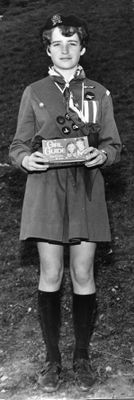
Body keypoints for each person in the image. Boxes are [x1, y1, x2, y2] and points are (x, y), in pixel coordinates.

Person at [9, 13, 122, 393]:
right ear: (48, 49)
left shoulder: (99, 93)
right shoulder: (34, 91)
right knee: (51, 274)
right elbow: (18, 145)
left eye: (72, 43)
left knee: (84, 274)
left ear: (83, 48)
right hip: (46, 189)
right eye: (57, 43)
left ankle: (83, 357)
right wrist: (26, 160)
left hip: (86, 188)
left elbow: (113, 145)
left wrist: (102, 157)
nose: (65, 49)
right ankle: (52, 359)